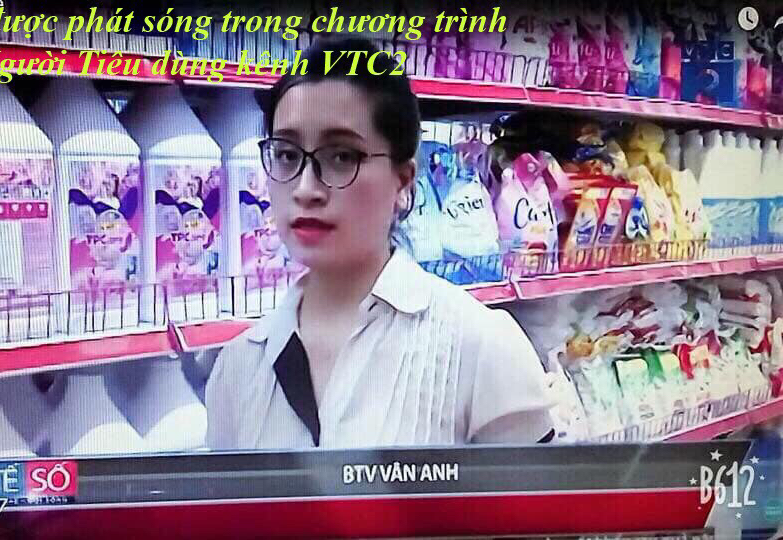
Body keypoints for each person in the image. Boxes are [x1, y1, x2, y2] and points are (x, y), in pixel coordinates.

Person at [196, 37, 555, 450]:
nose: (305, 189)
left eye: (341, 156)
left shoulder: (483, 349)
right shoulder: (238, 368)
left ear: (402, 181)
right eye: (287, 155)